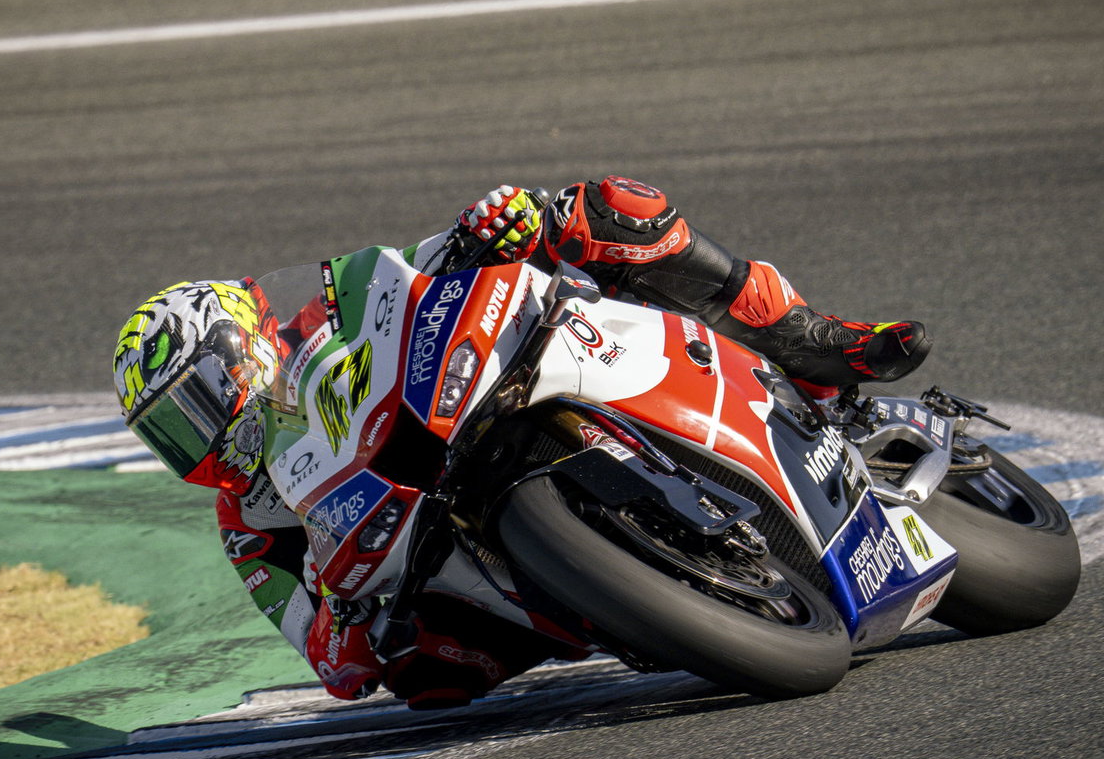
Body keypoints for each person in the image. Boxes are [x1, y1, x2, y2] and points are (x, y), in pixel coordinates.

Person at [111, 176, 931, 709]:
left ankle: (810, 340)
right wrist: (342, 611)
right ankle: (631, 588)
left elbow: (410, 272)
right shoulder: (246, 525)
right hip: (442, 561)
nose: (203, 434)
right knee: (424, 677)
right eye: (171, 432)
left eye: (198, 401)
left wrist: (484, 230)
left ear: (239, 342)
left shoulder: (323, 319)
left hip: (465, 394)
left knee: (600, 209)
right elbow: (327, 661)